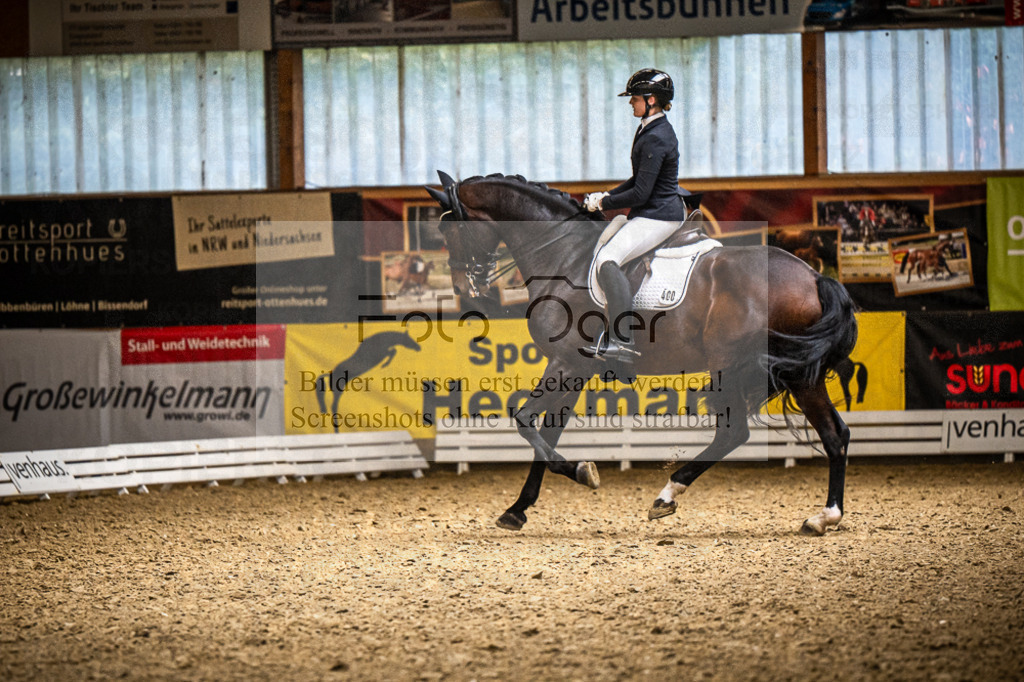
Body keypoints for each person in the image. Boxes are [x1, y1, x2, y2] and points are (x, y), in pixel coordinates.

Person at [583, 68, 689, 370]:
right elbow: (638, 179)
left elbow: (641, 193)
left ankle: (622, 341)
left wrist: (606, 201)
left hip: (659, 215)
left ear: (651, 99)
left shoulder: (657, 136)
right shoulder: (649, 128)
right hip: (652, 211)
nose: (631, 103)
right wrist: (606, 194)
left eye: (634, 99)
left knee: (607, 259)